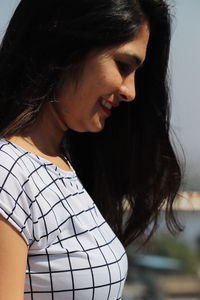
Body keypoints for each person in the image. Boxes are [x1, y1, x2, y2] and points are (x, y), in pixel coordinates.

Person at [0, 0, 182, 299]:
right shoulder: (8, 172)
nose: (130, 91)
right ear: (70, 47)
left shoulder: (62, 162)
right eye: (123, 66)